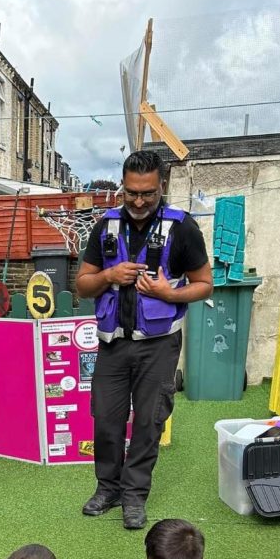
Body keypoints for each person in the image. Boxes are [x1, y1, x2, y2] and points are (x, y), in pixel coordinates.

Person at [76, 150, 213, 529]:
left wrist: (169, 294)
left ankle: (134, 496)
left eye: (148, 193)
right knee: (106, 420)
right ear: (122, 186)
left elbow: (205, 284)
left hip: (159, 346)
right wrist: (109, 276)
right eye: (131, 193)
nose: (138, 202)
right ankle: (108, 489)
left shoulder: (183, 228)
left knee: (149, 423)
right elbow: (83, 284)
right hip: (113, 345)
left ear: (161, 186)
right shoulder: (106, 227)